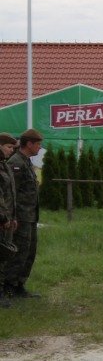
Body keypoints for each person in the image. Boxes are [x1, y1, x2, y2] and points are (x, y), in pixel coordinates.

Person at [3, 128, 43, 299]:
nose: (39, 147)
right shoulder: (16, 163)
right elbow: (10, 193)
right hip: (20, 217)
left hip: (30, 216)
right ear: (29, 144)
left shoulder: (26, 161)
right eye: (38, 144)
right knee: (18, 253)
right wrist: (11, 217)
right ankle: (9, 286)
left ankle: (19, 284)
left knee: (29, 252)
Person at [0, 133, 17, 307]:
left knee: (4, 256)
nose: (11, 151)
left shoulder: (4, 165)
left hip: (7, 218)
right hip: (1, 219)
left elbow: (10, 195)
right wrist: (4, 217)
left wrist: (13, 217)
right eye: (8, 147)